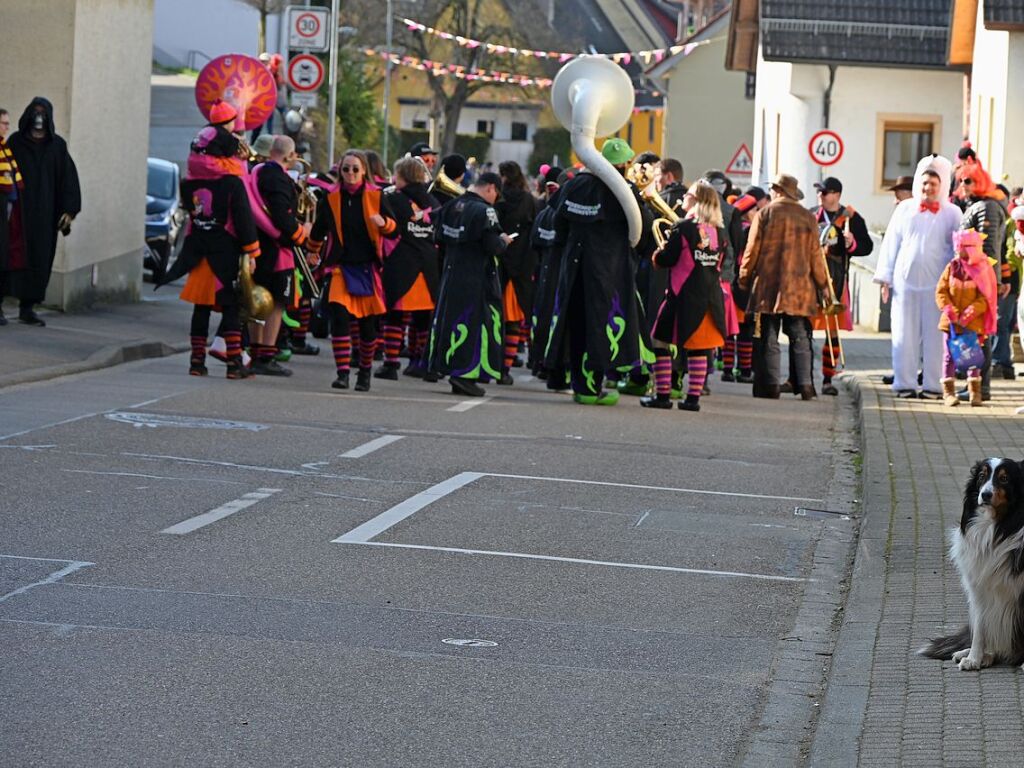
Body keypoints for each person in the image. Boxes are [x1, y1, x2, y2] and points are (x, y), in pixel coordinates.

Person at [544, 137, 654, 406]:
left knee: (575, 323)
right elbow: (643, 234)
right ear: (624, 164)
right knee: (601, 327)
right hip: (609, 270)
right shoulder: (624, 191)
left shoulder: (574, 184)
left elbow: (558, 223)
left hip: (574, 266)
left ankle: (581, 384)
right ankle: (591, 388)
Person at [172, 100, 260, 379]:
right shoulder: (232, 180)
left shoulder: (189, 181)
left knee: (202, 307)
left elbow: (190, 214)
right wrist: (253, 251)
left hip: (199, 248)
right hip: (225, 251)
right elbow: (243, 218)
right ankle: (234, 364)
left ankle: (196, 362)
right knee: (231, 307)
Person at [306, 149, 396, 392]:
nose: (351, 173)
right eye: (346, 169)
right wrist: (312, 250)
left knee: (368, 328)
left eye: (355, 169)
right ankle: (343, 373)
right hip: (339, 267)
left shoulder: (377, 196)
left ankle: (364, 373)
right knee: (339, 319)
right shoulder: (331, 197)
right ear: (340, 171)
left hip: (368, 268)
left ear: (364, 170)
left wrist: (384, 223)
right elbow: (319, 229)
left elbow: (396, 230)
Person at [873, 154, 960, 398]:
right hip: (905, 283)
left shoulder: (953, 213)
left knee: (936, 337)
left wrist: (957, 282)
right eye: (924, 183)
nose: (928, 188)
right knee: (903, 334)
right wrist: (885, 278)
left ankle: (933, 385)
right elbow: (891, 243)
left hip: (937, 285)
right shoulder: (904, 209)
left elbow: (959, 249)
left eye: (933, 184)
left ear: (942, 186)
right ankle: (904, 383)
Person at [641, 180, 730, 412]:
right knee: (698, 348)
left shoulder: (684, 227)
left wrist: (658, 253)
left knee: (659, 341)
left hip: (682, 295)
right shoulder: (720, 231)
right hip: (709, 297)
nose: (684, 198)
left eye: (689, 195)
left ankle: (662, 395)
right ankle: (692, 400)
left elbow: (666, 260)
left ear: (697, 200)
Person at [738, 173, 828, 399]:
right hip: (799, 287)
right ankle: (806, 386)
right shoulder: (807, 217)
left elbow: (752, 251)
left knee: (768, 336)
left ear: (777, 190)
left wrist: (744, 277)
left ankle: (770, 386)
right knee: (799, 336)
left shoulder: (765, 214)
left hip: (769, 285)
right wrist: (823, 285)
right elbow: (816, 256)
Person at [427, 172, 510, 397]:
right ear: (491, 188)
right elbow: (492, 245)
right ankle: (465, 375)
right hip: (476, 277)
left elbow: (437, 238)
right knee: (475, 325)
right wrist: (503, 242)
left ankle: (449, 369)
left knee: (452, 322)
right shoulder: (486, 211)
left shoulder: (452, 205)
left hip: (451, 274)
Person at [4, 97, 81, 326]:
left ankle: (28, 307)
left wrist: (69, 209)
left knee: (39, 258)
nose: (39, 118)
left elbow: (68, 179)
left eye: (43, 113)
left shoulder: (57, 146)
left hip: (45, 215)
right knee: (10, 257)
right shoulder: (16, 143)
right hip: (17, 214)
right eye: (35, 113)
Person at [247, 135, 309, 376]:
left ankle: (255, 353)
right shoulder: (278, 179)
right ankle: (266, 354)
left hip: (258, 246)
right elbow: (282, 217)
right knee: (276, 305)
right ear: (290, 155)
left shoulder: (259, 172)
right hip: (277, 250)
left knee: (257, 301)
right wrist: (300, 234)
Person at [377, 156, 439, 381]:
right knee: (423, 319)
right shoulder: (433, 200)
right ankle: (419, 362)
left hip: (403, 261)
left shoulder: (393, 198)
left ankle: (391, 363)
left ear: (402, 176)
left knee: (395, 317)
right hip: (429, 264)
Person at [809, 176, 873, 395]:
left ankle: (828, 379)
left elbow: (867, 247)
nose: (820, 196)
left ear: (836, 195)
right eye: (819, 192)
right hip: (812, 281)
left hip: (837, 280)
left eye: (824, 192)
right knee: (804, 330)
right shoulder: (810, 215)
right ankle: (804, 378)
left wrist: (852, 243)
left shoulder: (852, 218)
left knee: (832, 333)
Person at [954, 159, 1006, 401]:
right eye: (961, 180)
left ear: (980, 182)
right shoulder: (978, 205)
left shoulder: (987, 206)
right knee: (976, 332)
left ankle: (980, 386)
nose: (963, 185)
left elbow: (989, 246)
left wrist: (986, 280)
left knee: (981, 332)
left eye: (968, 180)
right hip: (974, 277)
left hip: (981, 279)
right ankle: (976, 385)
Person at [936, 228, 997, 407]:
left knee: (972, 358)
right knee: (949, 357)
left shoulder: (982, 269)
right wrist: (950, 310)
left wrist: (969, 313)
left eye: (962, 247)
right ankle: (948, 393)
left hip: (972, 324)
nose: (959, 251)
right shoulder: (952, 267)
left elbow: (985, 297)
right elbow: (941, 291)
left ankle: (974, 393)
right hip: (951, 324)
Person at [495, 160, 539, 384]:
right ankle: (505, 369)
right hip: (522, 267)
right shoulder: (530, 201)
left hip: (499, 266)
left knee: (494, 320)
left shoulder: (498, 200)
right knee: (514, 323)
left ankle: (489, 365)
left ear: (503, 176)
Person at [529, 166, 570, 389]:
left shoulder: (544, 213)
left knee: (542, 319)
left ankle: (538, 362)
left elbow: (534, 242)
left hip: (545, 271)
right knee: (556, 321)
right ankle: (551, 364)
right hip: (560, 272)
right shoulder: (565, 215)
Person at [0, 119, 24, 326]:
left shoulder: (6, 149)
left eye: (7, 123)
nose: (6, 127)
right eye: (3, 123)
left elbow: (14, 180)